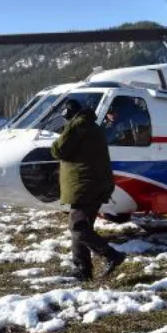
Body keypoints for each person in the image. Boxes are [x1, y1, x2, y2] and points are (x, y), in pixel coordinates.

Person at [51, 99, 126, 281]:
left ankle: (111, 255)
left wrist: (64, 131)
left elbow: (58, 150)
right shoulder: (90, 126)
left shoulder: (78, 126)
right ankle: (83, 270)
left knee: (77, 227)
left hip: (86, 186)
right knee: (82, 227)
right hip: (94, 185)